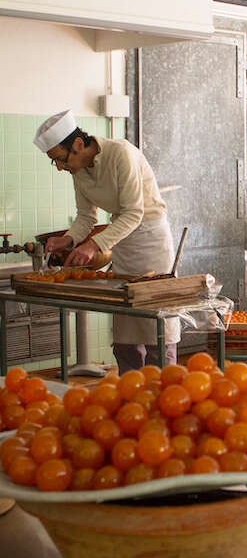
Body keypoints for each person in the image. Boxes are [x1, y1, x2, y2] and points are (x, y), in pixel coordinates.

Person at [33, 109, 180, 373]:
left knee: (157, 324)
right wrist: (67, 239)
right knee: (126, 334)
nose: (60, 167)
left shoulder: (120, 153)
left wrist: (93, 245)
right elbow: (85, 217)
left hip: (151, 241)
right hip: (122, 242)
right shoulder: (78, 171)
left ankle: (165, 393)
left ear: (78, 144)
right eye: (54, 162)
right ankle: (128, 394)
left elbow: (134, 212)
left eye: (60, 159)